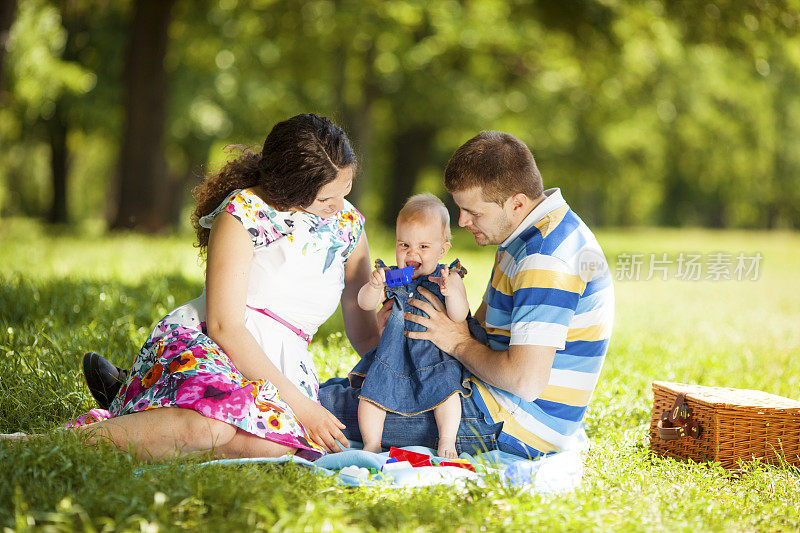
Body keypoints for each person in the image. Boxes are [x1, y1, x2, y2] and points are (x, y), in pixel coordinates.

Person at [5, 114, 380, 461]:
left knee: (285, 451)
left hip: (283, 369)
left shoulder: (348, 225)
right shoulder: (243, 213)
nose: (339, 206)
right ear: (289, 187)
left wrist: (402, 361)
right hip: (212, 345)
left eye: (344, 191)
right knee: (216, 422)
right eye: (326, 198)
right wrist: (302, 407)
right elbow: (224, 327)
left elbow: (361, 323)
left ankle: (148, 417)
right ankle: (46, 445)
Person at [319, 131, 614, 458]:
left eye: (474, 212)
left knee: (320, 410)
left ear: (517, 203)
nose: (462, 221)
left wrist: (456, 341)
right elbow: (480, 327)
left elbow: (525, 381)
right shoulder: (525, 235)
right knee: (348, 388)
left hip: (512, 423)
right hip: (489, 396)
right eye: (460, 209)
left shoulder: (545, 259)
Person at [348, 194, 471, 458]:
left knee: (448, 392)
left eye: (424, 247)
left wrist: (451, 293)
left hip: (434, 356)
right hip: (393, 354)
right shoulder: (391, 277)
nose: (412, 253)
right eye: (404, 244)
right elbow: (365, 303)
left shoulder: (448, 277)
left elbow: (460, 315)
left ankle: (447, 440)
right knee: (372, 394)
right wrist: (373, 286)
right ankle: (371, 443)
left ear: (442, 250)